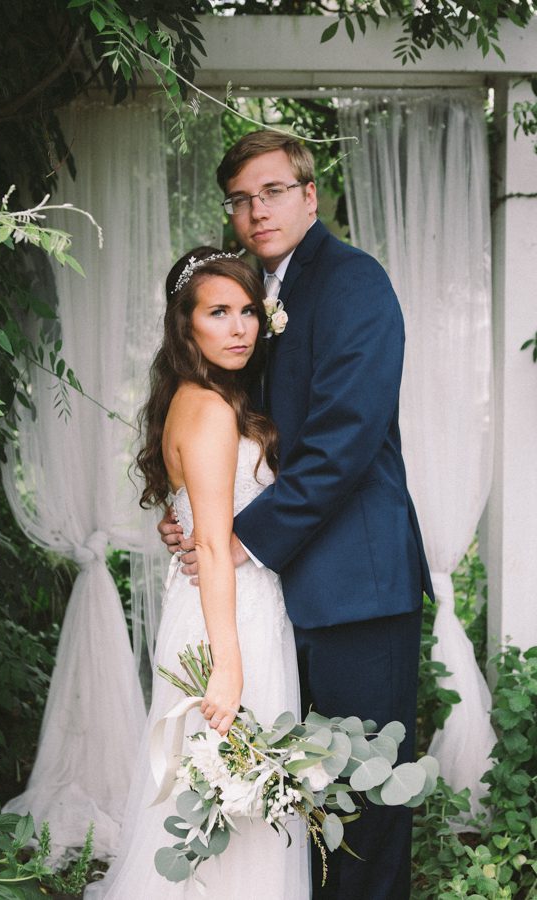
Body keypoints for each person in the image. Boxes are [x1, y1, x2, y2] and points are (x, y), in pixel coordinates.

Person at [160, 130, 434, 899]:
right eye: (242, 198)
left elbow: (345, 439)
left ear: (309, 196)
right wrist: (195, 510)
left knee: (366, 798)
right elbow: (231, 431)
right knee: (289, 801)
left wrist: (241, 537)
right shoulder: (249, 294)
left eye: (273, 190)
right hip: (278, 601)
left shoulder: (353, 283)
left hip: (356, 588)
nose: (257, 210)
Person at [85, 248, 309, 899]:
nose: (239, 328)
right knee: (227, 804)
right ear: (187, 327)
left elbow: (197, 520)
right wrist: (229, 666)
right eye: (219, 313)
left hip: (219, 610)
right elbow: (212, 547)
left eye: (247, 311)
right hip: (228, 622)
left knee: (218, 801)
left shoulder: (197, 397)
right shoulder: (210, 410)